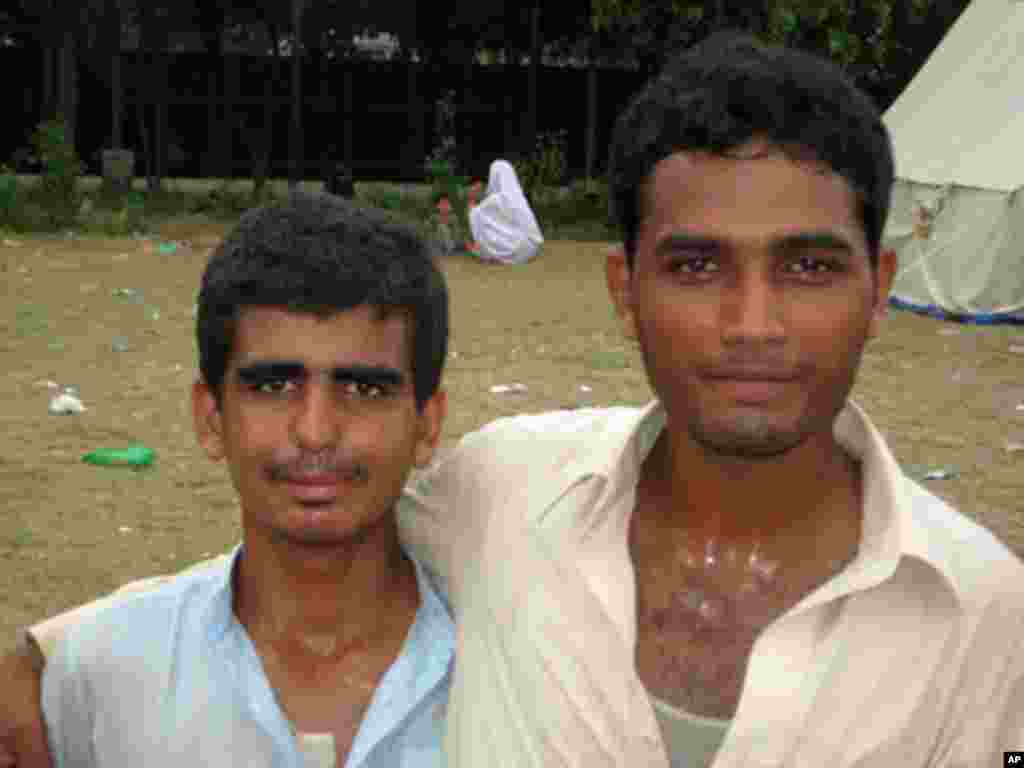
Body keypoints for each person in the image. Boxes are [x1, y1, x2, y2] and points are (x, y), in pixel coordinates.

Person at [4, 32, 1024, 768]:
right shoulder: (509, 488)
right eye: (696, 265)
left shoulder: (987, 617)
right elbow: (309, 494)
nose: (751, 323)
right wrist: (50, 662)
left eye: (805, 267)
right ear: (625, 291)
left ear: (880, 286)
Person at [17, 193, 454, 768]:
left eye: (364, 388)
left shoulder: (518, 674)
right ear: (210, 418)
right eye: (272, 386)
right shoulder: (102, 674)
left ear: (427, 423)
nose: (316, 431)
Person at [467, 159, 543, 264]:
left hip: (517, 250)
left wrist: (471, 199)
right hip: (532, 248)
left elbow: (475, 215)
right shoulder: (519, 197)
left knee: (480, 219)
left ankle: (493, 252)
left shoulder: (497, 199)